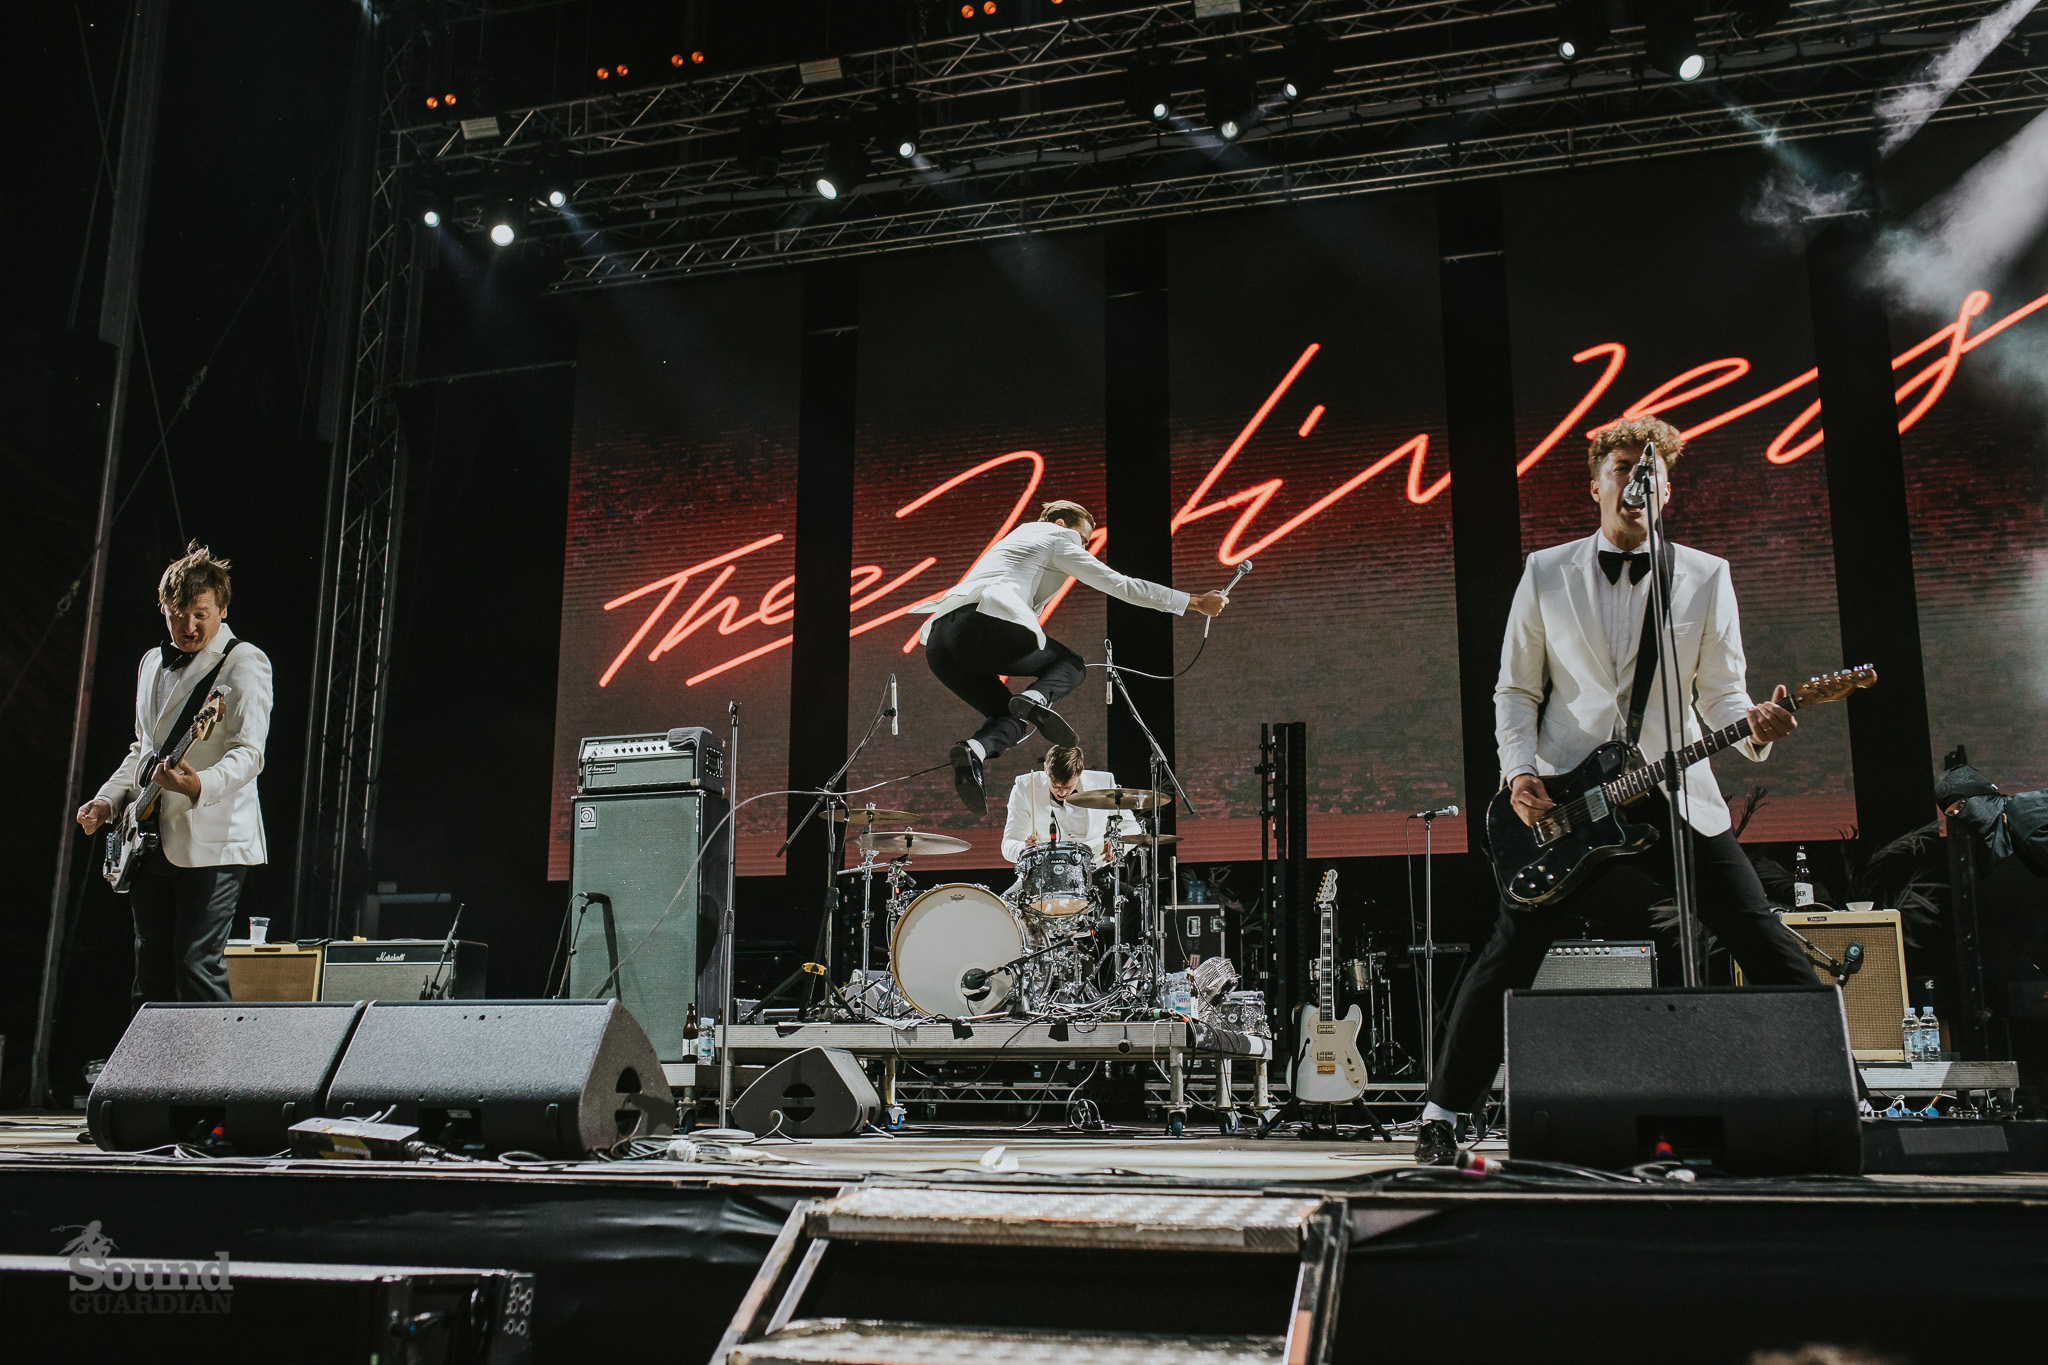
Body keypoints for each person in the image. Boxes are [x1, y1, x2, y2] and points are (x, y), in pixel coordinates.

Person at [1413, 416, 1815, 1166]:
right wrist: (1519, 770)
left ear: (1665, 488)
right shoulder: (1544, 570)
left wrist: (1756, 723)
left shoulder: (1705, 573)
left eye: (1651, 471)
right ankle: (1441, 1112)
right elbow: (1514, 689)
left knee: (1758, 931)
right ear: (1595, 480)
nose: (1637, 481)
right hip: (1573, 797)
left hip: (1672, 787)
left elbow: (1725, 695)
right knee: (1510, 948)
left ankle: (1842, 1091)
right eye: (1624, 467)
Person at [912, 499, 1228, 815]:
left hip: (939, 644)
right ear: (1062, 524)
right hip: (981, 625)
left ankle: (974, 751)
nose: (1085, 547)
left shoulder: (1015, 540)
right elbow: (1122, 585)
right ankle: (1035, 700)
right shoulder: (1055, 537)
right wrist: (1194, 602)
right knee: (1071, 665)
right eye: (1084, 538)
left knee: (1009, 717)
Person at [76, 543, 273, 1011]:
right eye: (178, 613)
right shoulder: (150, 663)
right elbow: (143, 750)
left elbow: (249, 753)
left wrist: (198, 784)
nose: (189, 626)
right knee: (151, 973)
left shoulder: (244, 661)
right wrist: (108, 801)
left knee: (196, 964)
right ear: (163, 609)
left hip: (215, 840)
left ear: (222, 610)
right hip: (148, 837)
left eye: (201, 614)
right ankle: (153, 1083)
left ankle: (215, 1083)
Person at [1000, 744, 1119, 865]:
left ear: (1080, 773)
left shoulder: (1104, 782)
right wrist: (1027, 848)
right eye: (1056, 786)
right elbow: (1008, 844)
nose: (1062, 792)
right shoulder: (1024, 787)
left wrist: (1116, 846)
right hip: (1043, 872)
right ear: (1045, 768)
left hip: (1095, 869)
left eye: (1068, 787)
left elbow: (1130, 827)